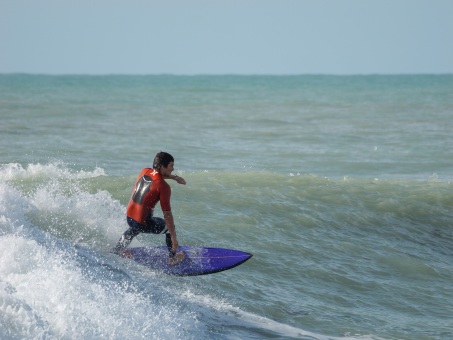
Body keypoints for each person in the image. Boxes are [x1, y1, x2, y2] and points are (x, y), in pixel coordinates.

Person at [112, 151, 187, 265]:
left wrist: (174, 178)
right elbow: (167, 214)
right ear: (163, 166)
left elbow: (158, 176)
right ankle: (172, 258)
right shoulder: (164, 187)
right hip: (142, 223)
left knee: (133, 229)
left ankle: (117, 250)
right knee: (169, 228)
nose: (173, 169)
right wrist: (173, 237)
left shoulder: (145, 171)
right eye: (171, 166)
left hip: (129, 218)